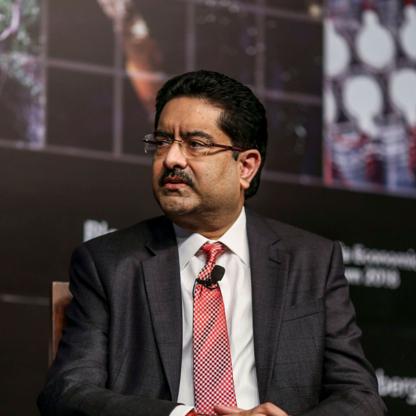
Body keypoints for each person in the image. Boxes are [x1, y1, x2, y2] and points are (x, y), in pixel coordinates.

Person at [38, 70, 386, 416]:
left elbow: (361, 397)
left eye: (196, 144)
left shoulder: (312, 261)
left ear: (246, 167)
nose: (172, 159)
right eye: (162, 142)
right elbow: (68, 392)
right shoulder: (108, 264)